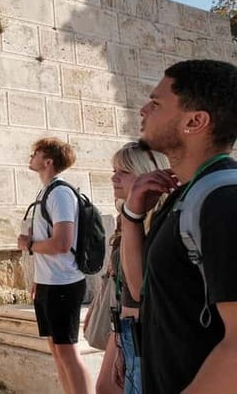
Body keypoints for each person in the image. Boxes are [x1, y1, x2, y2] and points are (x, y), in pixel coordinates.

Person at [122, 59, 237, 393]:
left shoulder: (223, 201)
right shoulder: (184, 196)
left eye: (156, 104)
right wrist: (132, 217)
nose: (143, 110)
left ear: (195, 121)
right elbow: (142, 291)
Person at [88, 142, 168, 394]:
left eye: (124, 171)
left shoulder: (156, 219)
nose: (114, 177)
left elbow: (138, 288)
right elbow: (118, 275)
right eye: (114, 170)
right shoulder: (128, 216)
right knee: (105, 387)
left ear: (146, 173)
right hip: (126, 321)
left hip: (142, 326)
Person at [19, 137, 93, 394]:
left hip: (64, 283)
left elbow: (62, 243)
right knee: (57, 351)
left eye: (36, 153)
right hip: (49, 283)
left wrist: (29, 244)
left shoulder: (60, 193)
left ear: (48, 161)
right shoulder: (46, 192)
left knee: (67, 351)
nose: (31, 157)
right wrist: (38, 280)